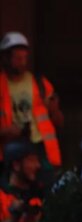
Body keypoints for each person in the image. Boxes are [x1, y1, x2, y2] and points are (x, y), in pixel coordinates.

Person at [0, 32, 63, 180]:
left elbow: (59, 122)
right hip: (11, 151)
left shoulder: (40, 83)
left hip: (40, 148)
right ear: (5, 58)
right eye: (17, 58)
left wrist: (54, 110)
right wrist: (5, 131)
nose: (22, 63)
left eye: (24, 58)